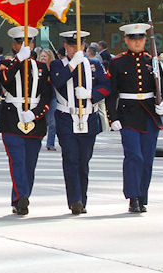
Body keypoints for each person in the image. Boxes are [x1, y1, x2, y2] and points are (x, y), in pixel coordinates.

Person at [105, 23, 163, 214]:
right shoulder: (117, 62)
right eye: (133, 39)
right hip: (128, 114)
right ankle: (133, 196)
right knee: (134, 156)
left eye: (140, 39)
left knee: (147, 158)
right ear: (126, 40)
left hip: (149, 114)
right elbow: (111, 93)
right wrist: (112, 117)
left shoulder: (154, 62)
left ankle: (142, 196)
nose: (137, 42)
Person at [49, 30, 111, 215]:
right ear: (66, 47)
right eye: (72, 45)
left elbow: (106, 85)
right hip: (67, 117)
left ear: (84, 46)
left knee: (84, 160)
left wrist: (91, 95)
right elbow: (57, 81)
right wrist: (72, 65)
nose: (76, 49)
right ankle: (74, 200)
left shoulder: (94, 64)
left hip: (88, 117)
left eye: (79, 45)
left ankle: (82, 199)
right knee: (71, 158)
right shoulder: (57, 64)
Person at [0, 25, 52, 216]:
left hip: (34, 120)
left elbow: (46, 96)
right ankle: (21, 197)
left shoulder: (42, 67)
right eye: (20, 42)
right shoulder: (6, 63)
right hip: (13, 118)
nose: (24, 44)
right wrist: (19, 61)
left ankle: (21, 196)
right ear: (14, 44)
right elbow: (4, 80)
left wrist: (36, 113)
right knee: (17, 161)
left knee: (30, 163)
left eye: (27, 41)